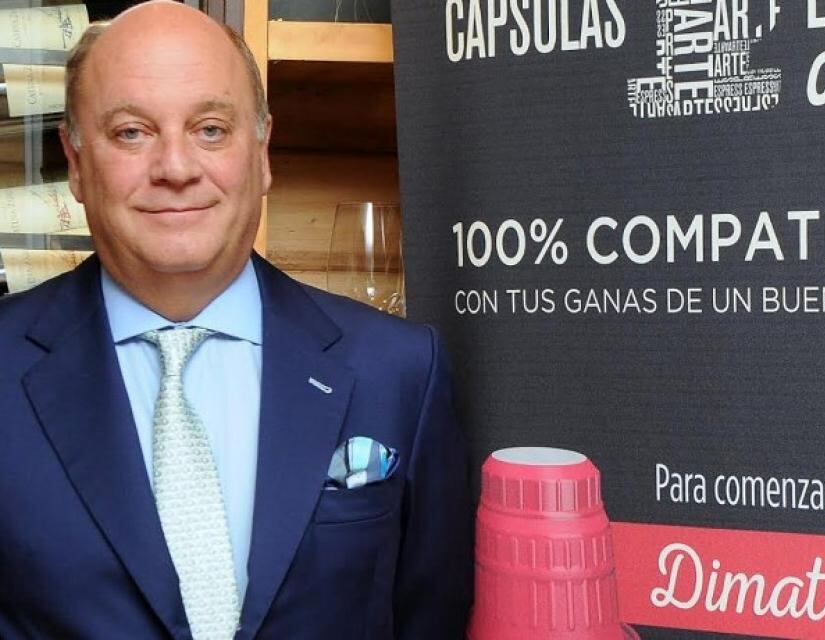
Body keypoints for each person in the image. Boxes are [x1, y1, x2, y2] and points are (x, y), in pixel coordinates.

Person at [0, 2, 473, 638]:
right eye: (132, 132)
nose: (175, 168)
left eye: (211, 129)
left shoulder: (399, 372)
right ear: (77, 163)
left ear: (262, 151)